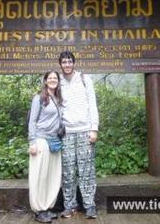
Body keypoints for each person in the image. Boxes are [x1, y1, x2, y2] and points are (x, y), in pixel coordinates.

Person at [58, 51, 99, 219]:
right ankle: (69, 205)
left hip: (84, 130)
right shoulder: (58, 81)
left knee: (86, 170)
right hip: (66, 133)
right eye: (64, 62)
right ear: (60, 64)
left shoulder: (84, 79)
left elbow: (92, 104)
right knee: (67, 170)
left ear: (74, 63)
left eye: (69, 62)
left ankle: (89, 205)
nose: (67, 65)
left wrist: (94, 128)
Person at [28, 71, 63, 223]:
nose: (53, 80)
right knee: (39, 177)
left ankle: (47, 207)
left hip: (55, 142)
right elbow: (32, 121)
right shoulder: (39, 98)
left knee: (52, 177)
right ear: (45, 81)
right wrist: (32, 142)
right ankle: (39, 210)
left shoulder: (59, 98)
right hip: (41, 141)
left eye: (55, 78)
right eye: (50, 78)